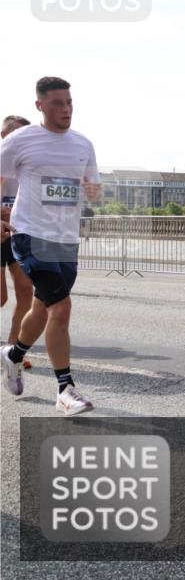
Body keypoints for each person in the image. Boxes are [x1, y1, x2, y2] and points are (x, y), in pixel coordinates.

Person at [0, 77, 102, 415]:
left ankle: (13, 355)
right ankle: (65, 390)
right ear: (40, 105)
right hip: (29, 235)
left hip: (66, 240)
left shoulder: (83, 144)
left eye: (69, 102)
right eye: (58, 103)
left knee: (43, 307)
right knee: (62, 308)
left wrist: (92, 192)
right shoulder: (19, 140)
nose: (66, 108)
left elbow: (94, 187)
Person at [1, 116, 33, 369]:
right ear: (5, 135)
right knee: (0, 297)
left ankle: (12, 351)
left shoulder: (28, 164)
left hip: (17, 233)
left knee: (25, 292)